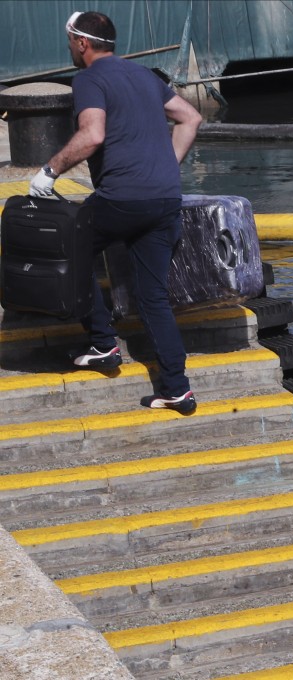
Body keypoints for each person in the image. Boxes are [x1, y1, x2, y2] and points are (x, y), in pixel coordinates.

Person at [29, 11, 202, 414]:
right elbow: (191, 117)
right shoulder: (146, 76)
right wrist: (166, 166)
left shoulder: (88, 79)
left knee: (71, 244)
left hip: (123, 198)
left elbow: (93, 134)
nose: (70, 47)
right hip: (164, 199)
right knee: (153, 296)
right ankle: (178, 389)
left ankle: (103, 343)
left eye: (70, 40)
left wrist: (49, 172)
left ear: (82, 43)